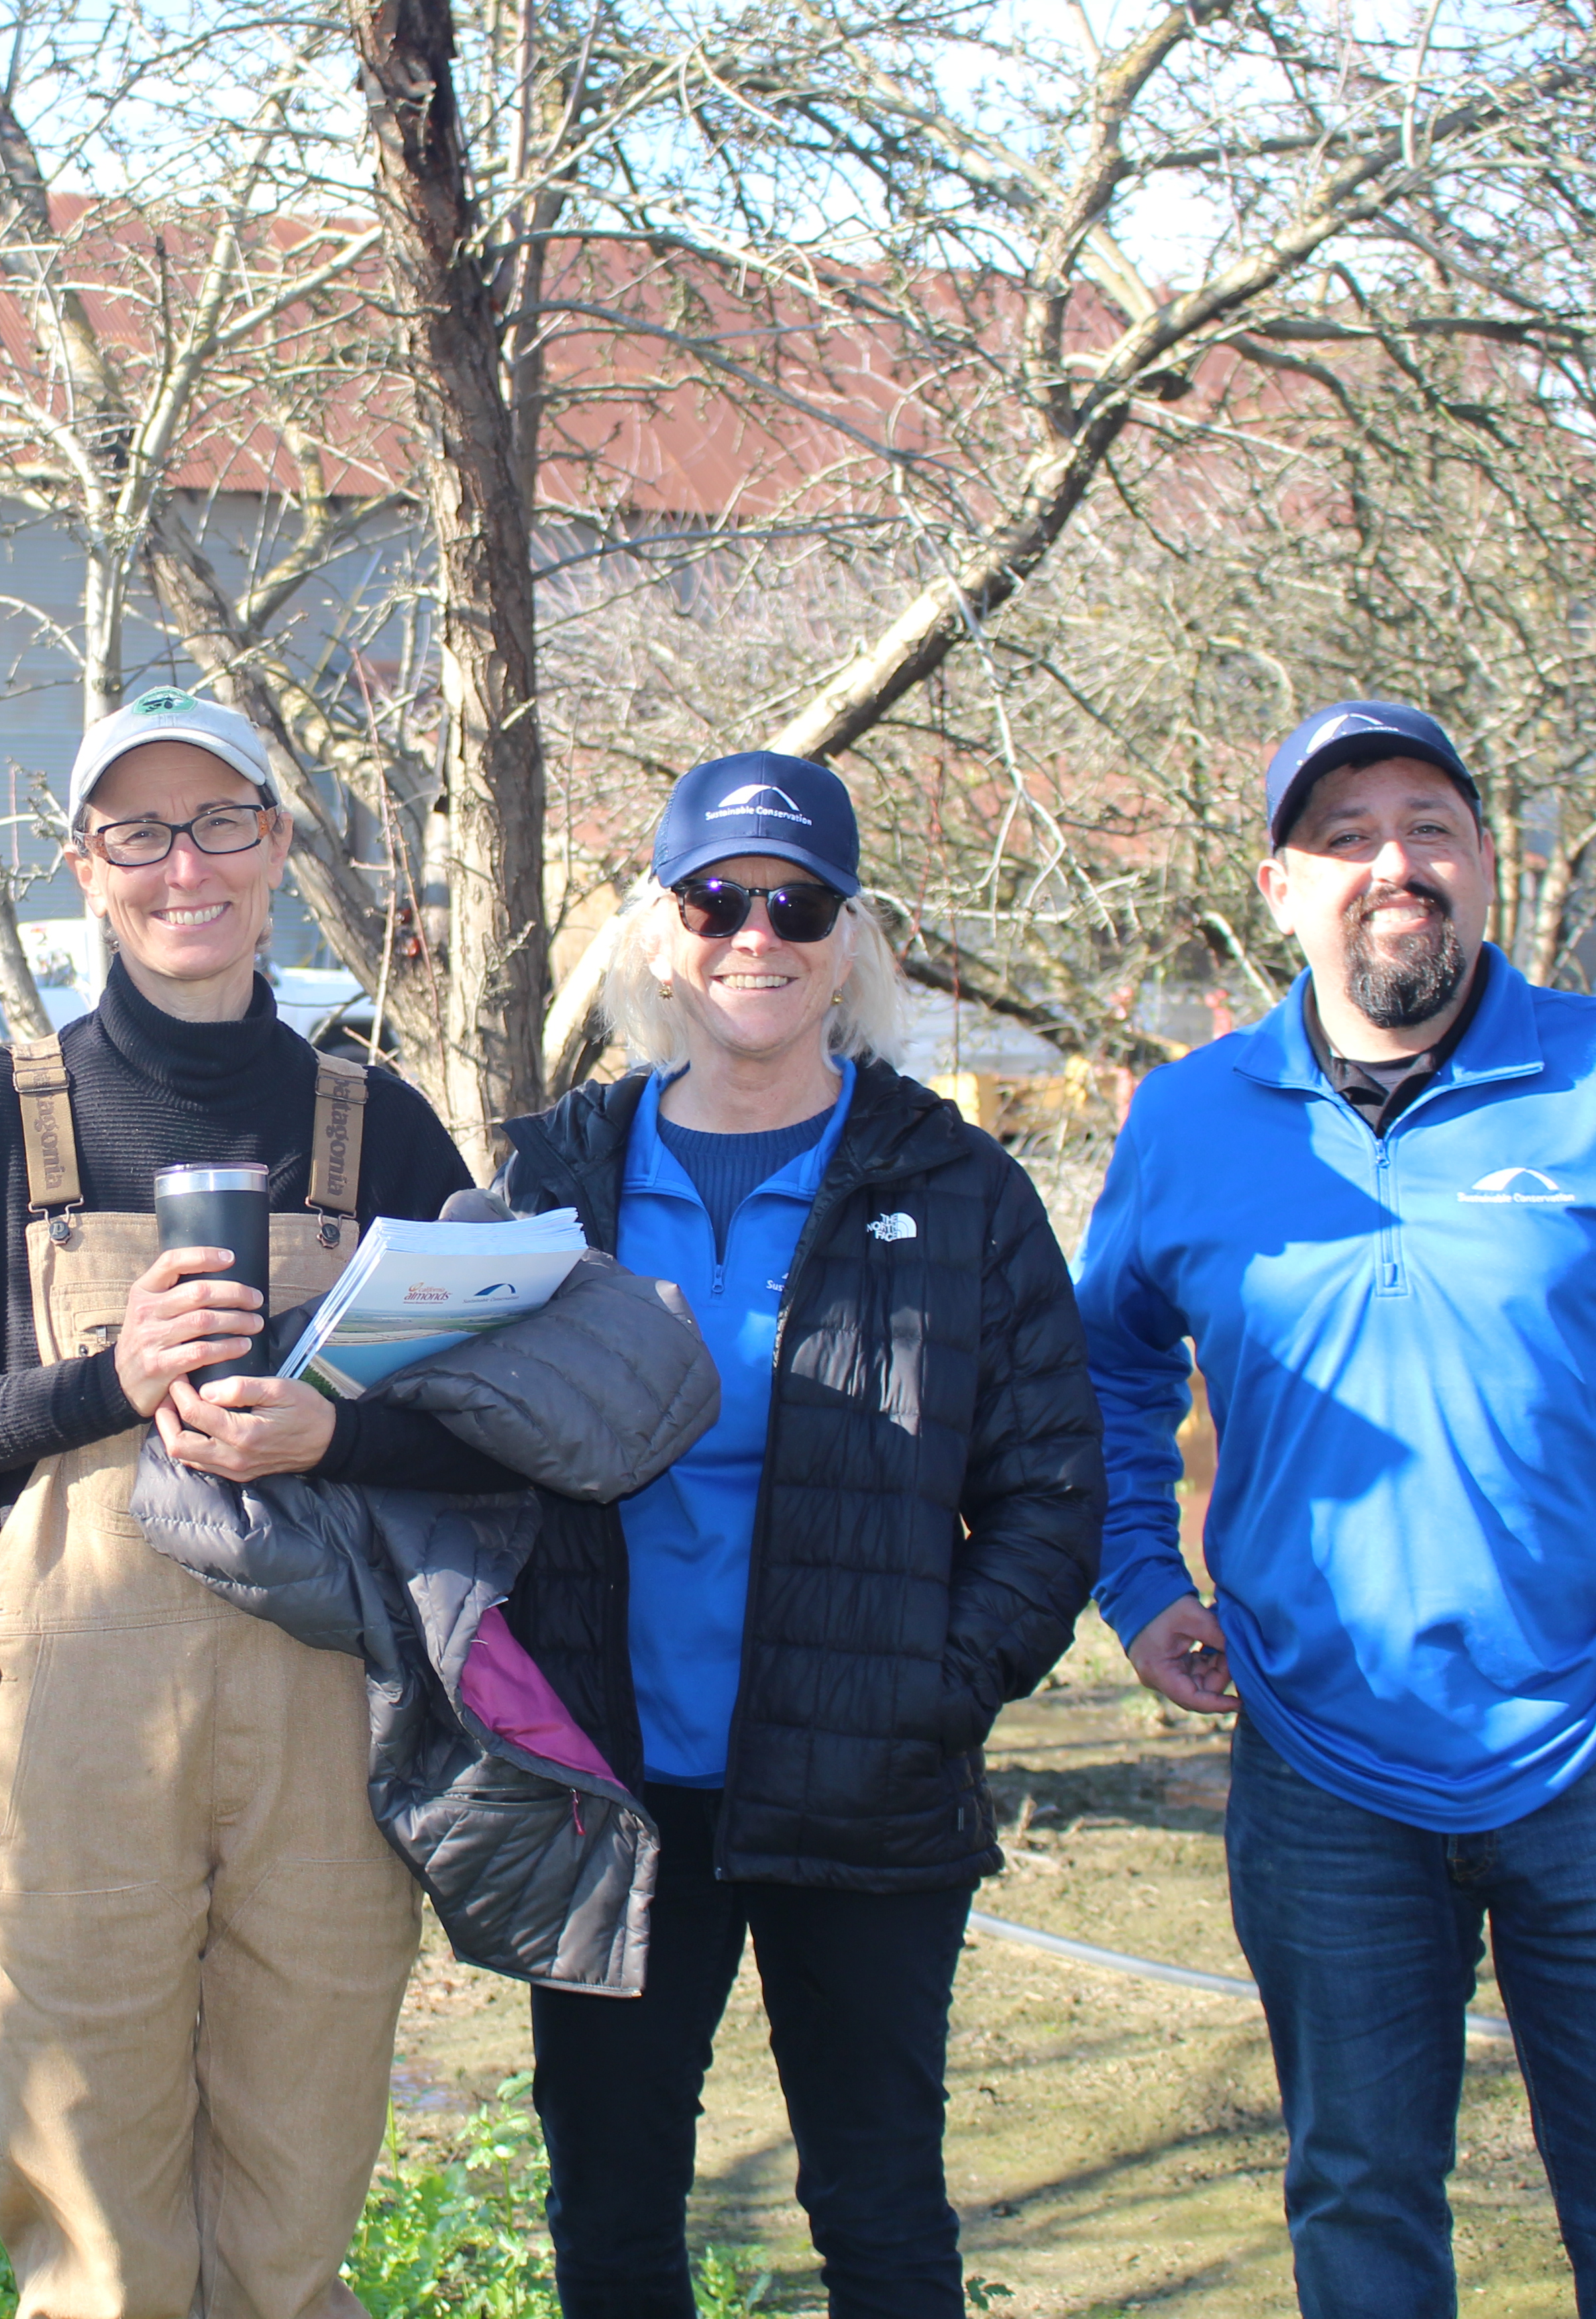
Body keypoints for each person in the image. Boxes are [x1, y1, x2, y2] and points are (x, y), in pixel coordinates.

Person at [1075, 702, 1596, 2317]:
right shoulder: (1190, 1118)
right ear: (1281, 889)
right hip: (1317, 1755)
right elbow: (1107, 1364)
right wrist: (1136, 1570)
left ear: (1482, 867)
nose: (1396, 863)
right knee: (1357, 2202)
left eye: (1432, 828)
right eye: (1347, 836)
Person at [0, 686, 517, 2319]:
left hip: (324, 1738)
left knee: (290, 2235)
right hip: (76, 1754)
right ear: (86, 865)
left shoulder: (378, 1123)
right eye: (138, 833)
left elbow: (500, 1437)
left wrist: (331, 1433)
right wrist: (105, 1381)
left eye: (221, 822)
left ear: (277, 848)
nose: (184, 867)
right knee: (99, 2252)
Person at [494, 751, 1102, 2319]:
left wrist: (928, 1693)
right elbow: (464, 1451)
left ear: (849, 942)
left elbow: (1051, 1494)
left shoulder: (955, 1188)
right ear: (661, 932)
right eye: (717, 900)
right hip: (612, 1787)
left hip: (866, 1783)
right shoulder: (553, 1178)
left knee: (879, 2210)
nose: (755, 936)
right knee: (612, 2214)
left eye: (799, 904)